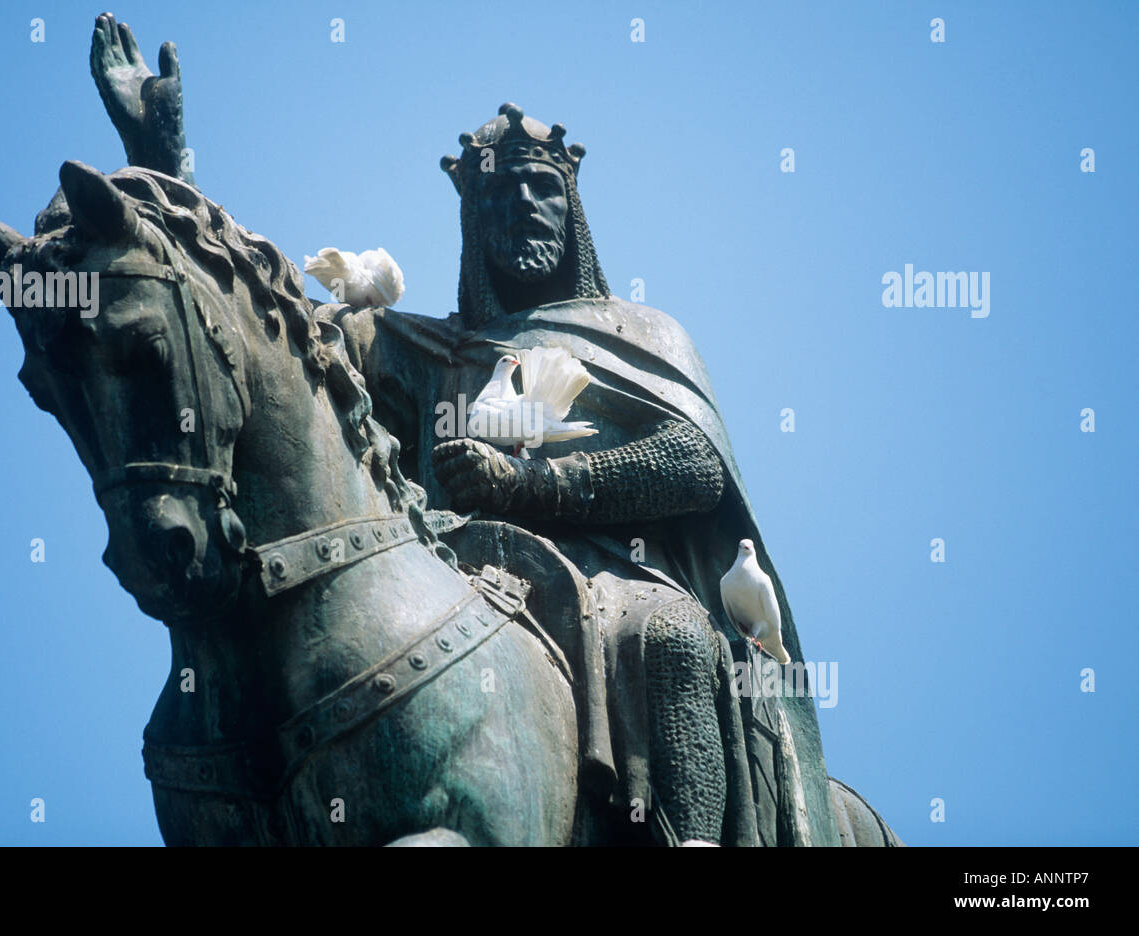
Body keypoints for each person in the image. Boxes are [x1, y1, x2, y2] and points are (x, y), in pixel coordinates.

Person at [89, 14, 838, 846]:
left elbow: (693, 465)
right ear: (470, 215)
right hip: (444, 563)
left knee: (667, 637)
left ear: (573, 205)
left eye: (541, 188)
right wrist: (163, 166)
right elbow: (256, 332)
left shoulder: (641, 329)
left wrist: (532, 484)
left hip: (610, 580)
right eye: (498, 193)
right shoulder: (407, 345)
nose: (522, 207)